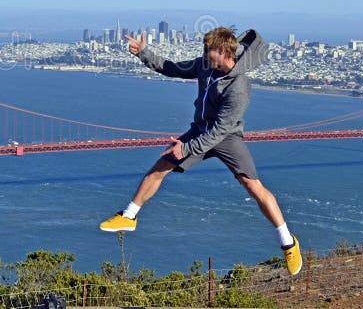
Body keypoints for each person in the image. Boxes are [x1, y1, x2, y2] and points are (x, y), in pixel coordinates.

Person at [99, 27, 302, 275]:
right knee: (162, 164)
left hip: (226, 137)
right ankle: (129, 216)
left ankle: (288, 243)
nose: (204, 55)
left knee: (252, 185)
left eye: (209, 51)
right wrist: (144, 53)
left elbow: (218, 132)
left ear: (223, 52)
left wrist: (186, 147)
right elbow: (173, 68)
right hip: (200, 130)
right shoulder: (205, 66)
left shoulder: (239, 87)